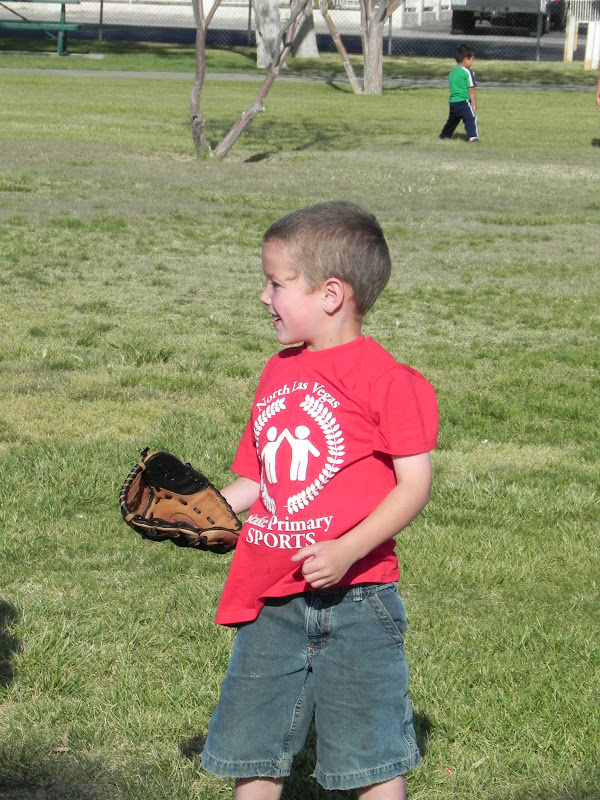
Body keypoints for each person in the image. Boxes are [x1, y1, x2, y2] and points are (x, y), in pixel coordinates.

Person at [201, 201, 439, 800]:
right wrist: (204, 509)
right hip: (271, 596)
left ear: (331, 294)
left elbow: (414, 485)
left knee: (371, 756)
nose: (263, 296)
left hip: (358, 599)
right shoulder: (278, 372)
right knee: (255, 748)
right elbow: (263, 480)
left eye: (277, 284)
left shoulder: (387, 381)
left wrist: (347, 549)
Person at [439, 43, 479, 142]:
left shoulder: (452, 73)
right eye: (472, 59)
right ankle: (472, 137)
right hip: (464, 102)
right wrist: (474, 104)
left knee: (452, 121)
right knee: (471, 119)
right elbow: (471, 89)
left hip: (453, 103)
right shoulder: (468, 72)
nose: (472, 62)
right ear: (466, 60)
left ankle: (444, 135)